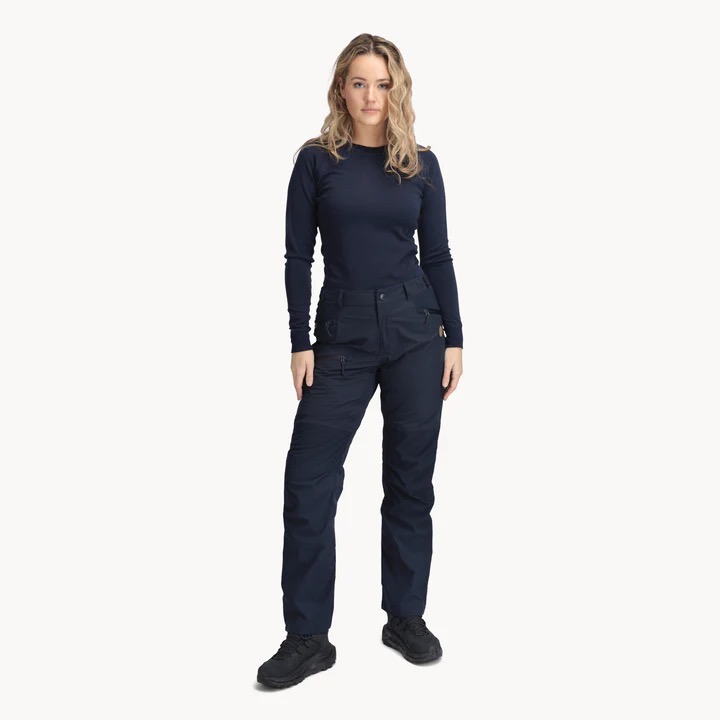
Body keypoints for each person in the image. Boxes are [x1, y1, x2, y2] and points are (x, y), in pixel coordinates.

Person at [257, 33, 464, 689]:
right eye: (359, 83)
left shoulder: (421, 164)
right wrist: (299, 342)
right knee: (308, 481)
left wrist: (455, 338)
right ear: (340, 89)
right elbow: (298, 257)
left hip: (415, 331)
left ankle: (405, 617)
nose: (371, 96)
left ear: (396, 89)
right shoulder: (317, 162)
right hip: (340, 335)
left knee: (410, 480)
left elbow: (438, 255)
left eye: (382, 84)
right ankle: (307, 637)